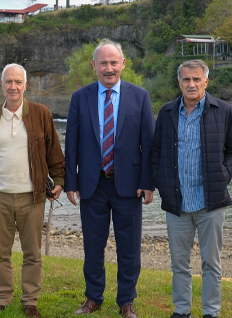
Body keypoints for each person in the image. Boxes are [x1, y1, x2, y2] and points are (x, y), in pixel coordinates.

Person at [65, 39, 155, 318]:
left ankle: (126, 301)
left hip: (128, 185)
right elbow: (72, 143)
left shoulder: (139, 97)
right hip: (92, 185)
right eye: (103, 63)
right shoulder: (80, 98)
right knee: (93, 246)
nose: (109, 68)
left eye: (114, 62)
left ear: (123, 64)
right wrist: (71, 182)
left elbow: (149, 144)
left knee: (129, 248)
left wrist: (148, 182)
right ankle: (93, 297)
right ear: (94, 66)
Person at [0, 63, 65, 318]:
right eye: (8, 82)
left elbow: (54, 151)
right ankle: (2, 298)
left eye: (18, 82)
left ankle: (30, 301)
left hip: (32, 197)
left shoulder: (41, 114)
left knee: (32, 252)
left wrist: (59, 180)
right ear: (2, 85)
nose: (13, 86)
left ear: (25, 85)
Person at [151, 60, 232, 318]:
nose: (191, 84)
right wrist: (160, 182)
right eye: (185, 80)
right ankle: (182, 311)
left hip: (211, 204)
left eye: (196, 79)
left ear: (206, 81)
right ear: (179, 82)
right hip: (176, 204)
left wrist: (223, 176)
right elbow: (156, 151)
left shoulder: (223, 111)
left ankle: (210, 313)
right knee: (179, 263)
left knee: (210, 263)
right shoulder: (168, 112)